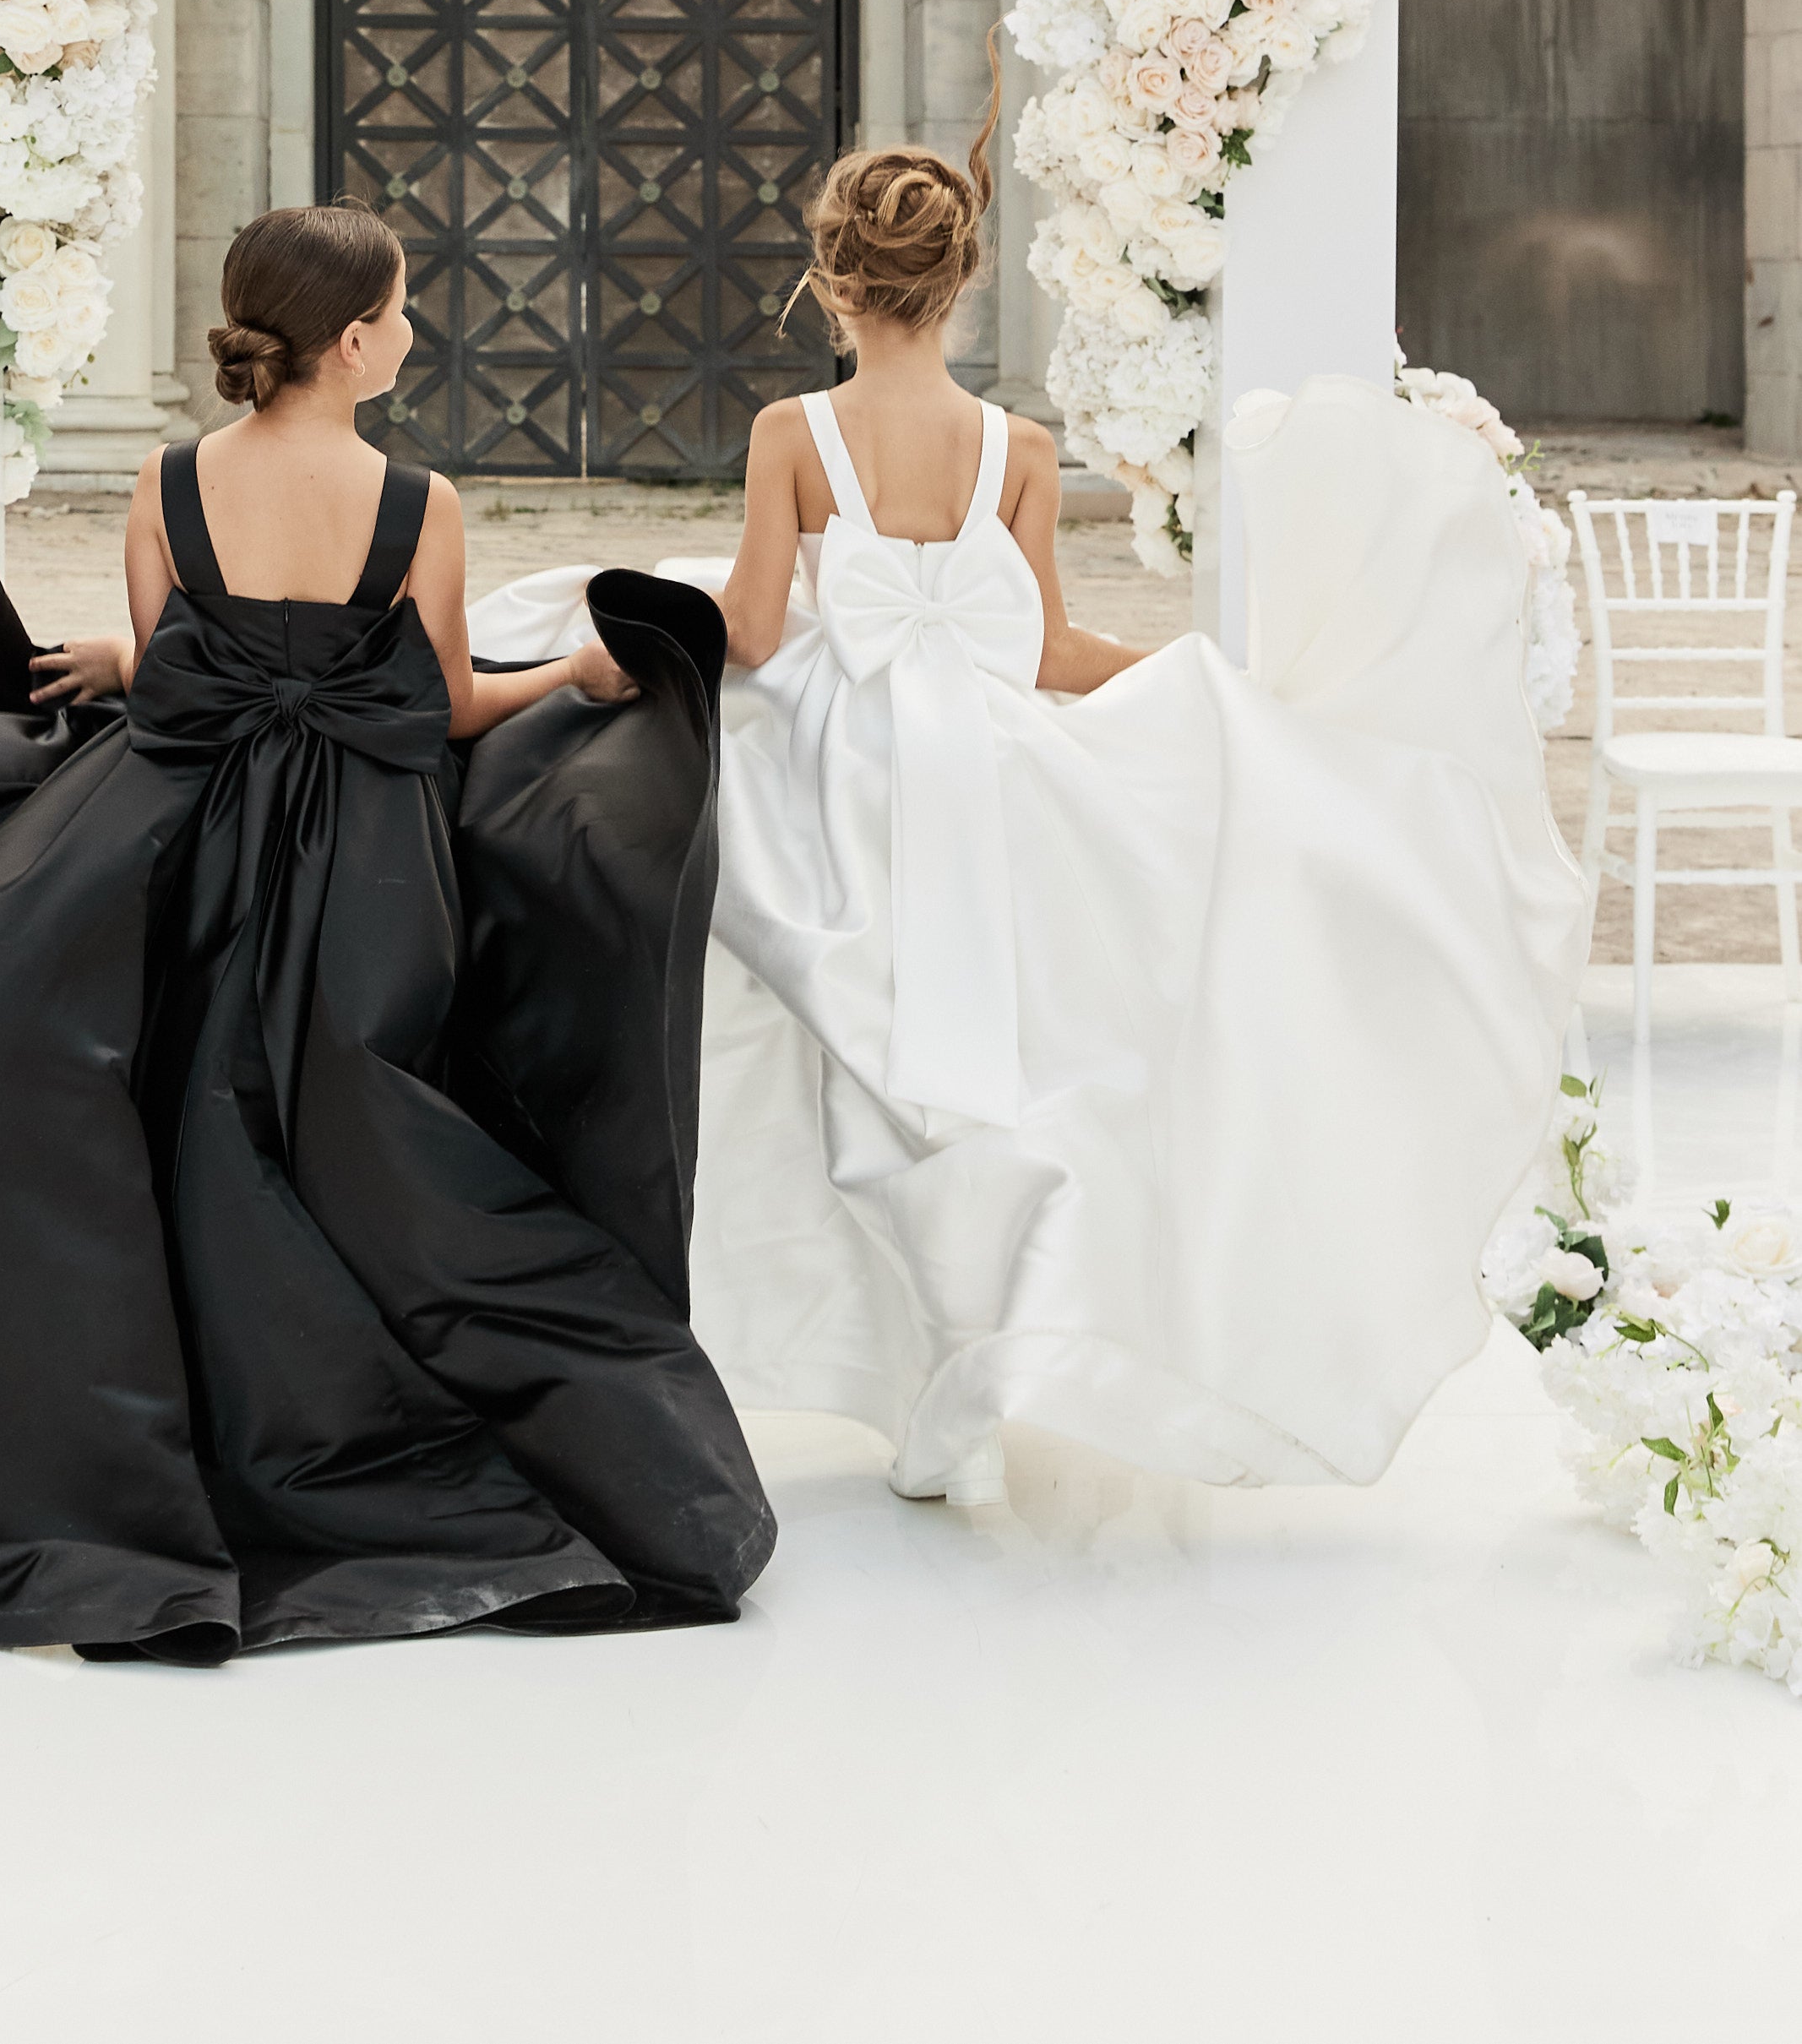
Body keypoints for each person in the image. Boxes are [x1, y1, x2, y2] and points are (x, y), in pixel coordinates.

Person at [0, 204, 775, 1660]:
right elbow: (435, 712)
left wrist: (138, 651)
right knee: (365, 1132)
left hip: (165, 834)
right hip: (364, 865)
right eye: (405, 312)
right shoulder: (413, 500)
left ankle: (120, 1437)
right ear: (355, 339)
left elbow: (187, 674)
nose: (414, 332)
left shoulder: (169, 476)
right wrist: (571, 666)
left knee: (103, 1084)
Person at [471, 83, 1587, 1505]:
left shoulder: (791, 433)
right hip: (988, 770)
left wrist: (634, 650)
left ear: (829, 278)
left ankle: (899, 1354)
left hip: (838, 769)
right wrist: (1205, 683)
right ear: (963, 281)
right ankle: (968, 1359)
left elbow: (750, 629)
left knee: (852, 1054)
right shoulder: (1021, 449)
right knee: (1001, 1064)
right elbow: (1051, 647)